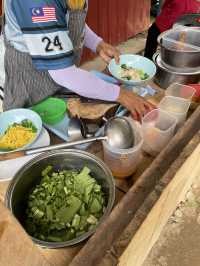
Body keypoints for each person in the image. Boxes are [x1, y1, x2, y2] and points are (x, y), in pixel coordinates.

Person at [3, 0, 154, 121]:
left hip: (60, 76)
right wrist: (120, 95)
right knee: (24, 126)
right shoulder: (37, 3)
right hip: (28, 76)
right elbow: (65, 74)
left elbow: (66, 19)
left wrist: (97, 43)